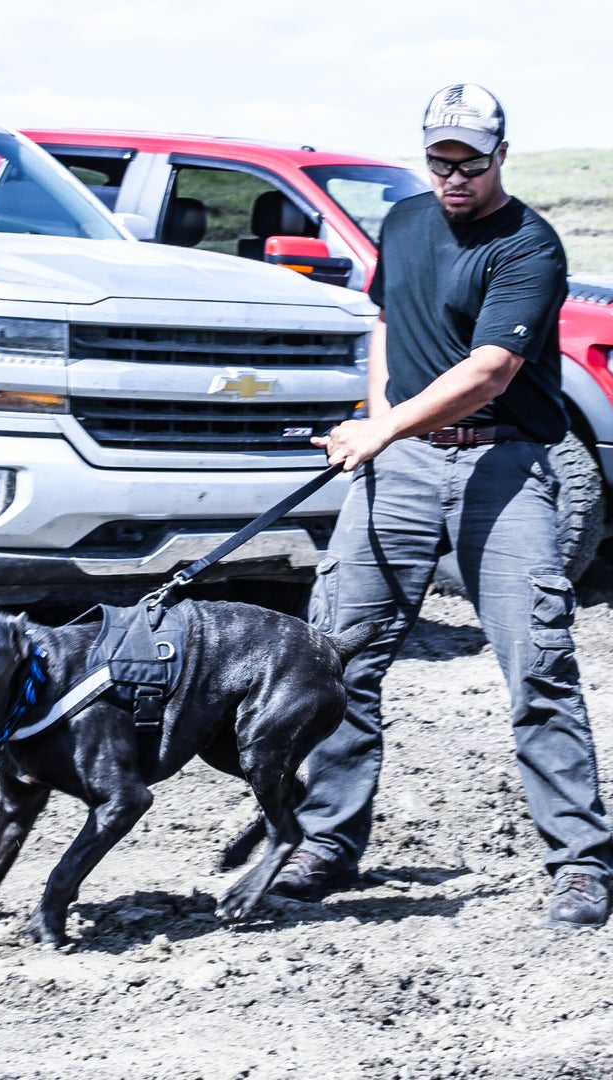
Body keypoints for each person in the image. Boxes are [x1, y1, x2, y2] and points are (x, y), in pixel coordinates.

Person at [270, 83, 613, 928]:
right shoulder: (405, 221)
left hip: (503, 464)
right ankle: (326, 841)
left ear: (502, 155)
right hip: (403, 463)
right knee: (339, 657)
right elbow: (386, 317)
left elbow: (490, 371)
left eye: (471, 161)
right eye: (441, 160)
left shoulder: (529, 245)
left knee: (538, 664)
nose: (454, 177)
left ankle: (579, 861)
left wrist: (381, 429)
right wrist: (379, 412)